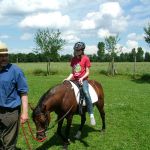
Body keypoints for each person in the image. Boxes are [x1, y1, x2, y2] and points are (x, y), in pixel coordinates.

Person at [0, 43, 29, 150]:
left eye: (5, 55)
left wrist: (25, 112)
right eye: (1, 56)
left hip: (10, 113)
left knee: (9, 145)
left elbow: (24, 92)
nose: (4, 58)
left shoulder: (16, 71)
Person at [64, 42, 96, 126]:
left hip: (83, 80)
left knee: (86, 92)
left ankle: (91, 114)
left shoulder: (86, 58)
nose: (76, 51)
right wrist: (67, 79)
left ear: (82, 50)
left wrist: (82, 78)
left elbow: (88, 72)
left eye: (78, 50)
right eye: (75, 50)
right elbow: (72, 73)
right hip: (74, 80)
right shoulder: (73, 59)